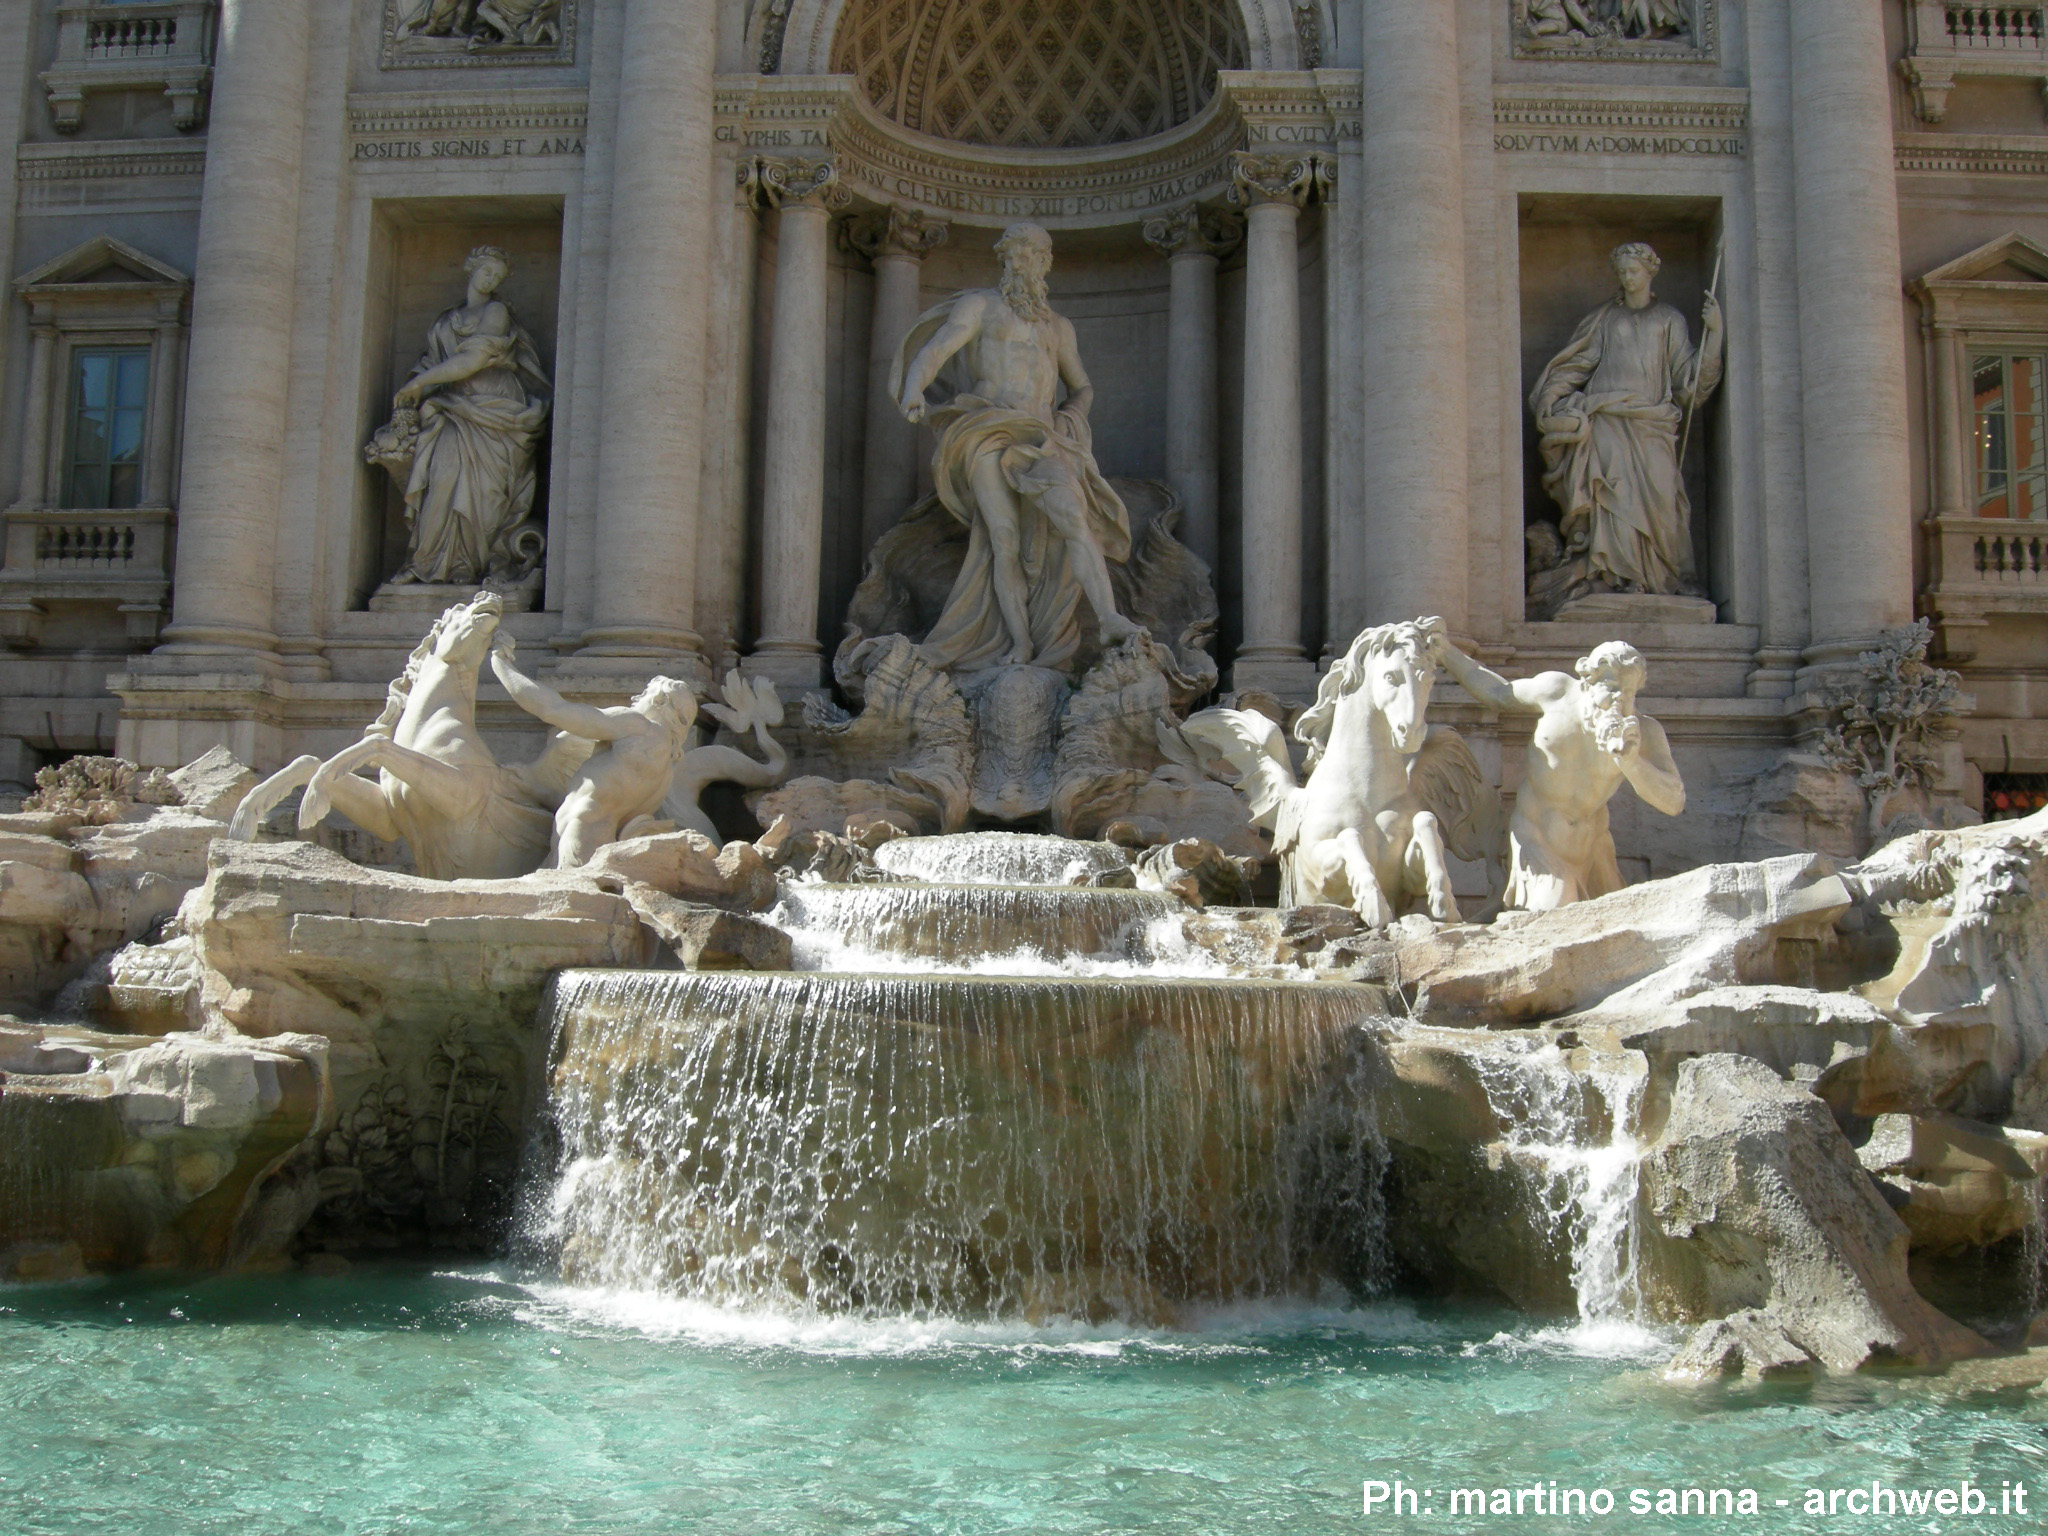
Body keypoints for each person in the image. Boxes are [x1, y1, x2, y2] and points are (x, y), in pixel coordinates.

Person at [891, 222, 1141, 673]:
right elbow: (936, 349)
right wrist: (914, 389)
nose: (1027, 263)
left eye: (1037, 255)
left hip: (1043, 435)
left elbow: (1082, 385)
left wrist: (1072, 417)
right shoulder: (980, 306)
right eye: (1018, 255)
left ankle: (1108, 619)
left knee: (1072, 516)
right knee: (1002, 538)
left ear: (1046, 264)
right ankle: (1021, 643)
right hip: (986, 427)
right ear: (1005, 261)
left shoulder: (1058, 327)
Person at [1427, 629, 1686, 910]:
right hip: (1537, 835)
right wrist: (1447, 653)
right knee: (1553, 913)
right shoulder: (1557, 691)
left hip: (1592, 845)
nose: (1619, 699)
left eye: (1629, 692)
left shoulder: (1643, 730)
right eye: (1611, 688)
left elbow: (1673, 802)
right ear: (1588, 680)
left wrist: (1632, 762)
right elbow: (1498, 693)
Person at [1529, 242, 1722, 599]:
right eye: (1622, 272)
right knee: (1610, 495)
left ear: (1650, 272)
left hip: (1652, 422)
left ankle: (1662, 578)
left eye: (1634, 271)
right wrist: (1551, 396)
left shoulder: (1669, 319)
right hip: (1606, 418)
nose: (1627, 278)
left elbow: (1689, 382)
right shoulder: (1606, 319)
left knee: (1663, 498)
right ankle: (1616, 574)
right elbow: (1576, 364)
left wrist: (1715, 335)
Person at [490, 640, 786, 866]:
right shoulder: (664, 766)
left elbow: (552, 709)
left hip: (581, 835)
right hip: (594, 837)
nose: (634, 699)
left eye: (642, 694)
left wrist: (501, 664)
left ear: (658, 700)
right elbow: (602, 798)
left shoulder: (636, 726)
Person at [375, 246, 551, 588]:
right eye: (486, 272)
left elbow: (470, 362)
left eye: (497, 277)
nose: (490, 280)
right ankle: (428, 561)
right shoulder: (445, 320)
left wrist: (421, 384)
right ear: (471, 270)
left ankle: (468, 567)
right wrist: (417, 391)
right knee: (441, 479)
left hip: (494, 409)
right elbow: (430, 363)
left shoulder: (496, 311)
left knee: (486, 493)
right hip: (453, 407)